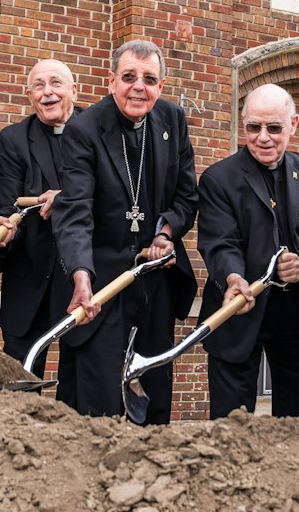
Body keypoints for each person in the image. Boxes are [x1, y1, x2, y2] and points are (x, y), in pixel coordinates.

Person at [54, 39, 198, 422]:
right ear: (111, 80)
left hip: (156, 281)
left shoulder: (172, 120)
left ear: (161, 86)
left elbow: (187, 198)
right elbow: (75, 211)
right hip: (104, 283)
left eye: (149, 79)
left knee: (155, 397)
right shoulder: (83, 130)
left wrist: (165, 234)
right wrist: (81, 276)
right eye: (129, 77)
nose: (139, 87)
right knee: (99, 400)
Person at [196, 83, 299, 419]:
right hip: (239, 310)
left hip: (296, 318)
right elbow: (219, 243)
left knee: (296, 422)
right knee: (231, 423)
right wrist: (233, 277)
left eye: (274, 128)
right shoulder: (218, 179)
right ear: (244, 124)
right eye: (254, 127)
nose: (263, 137)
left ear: (293, 125)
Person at [0, 59, 81, 376]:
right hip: (29, 276)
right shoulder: (14, 139)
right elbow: (7, 205)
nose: (47, 92)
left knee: (81, 378)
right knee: (18, 380)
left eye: (55, 83)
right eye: (38, 86)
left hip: (82, 277)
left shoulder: (97, 131)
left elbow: (108, 193)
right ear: (29, 95)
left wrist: (65, 198)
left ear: (73, 90)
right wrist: (3, 226)